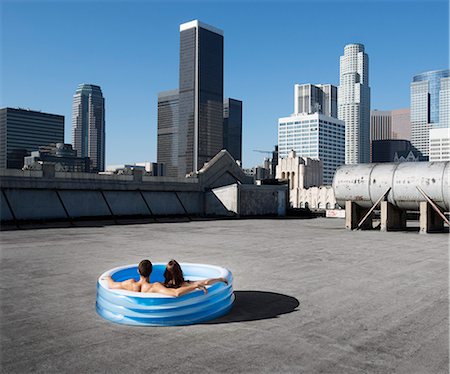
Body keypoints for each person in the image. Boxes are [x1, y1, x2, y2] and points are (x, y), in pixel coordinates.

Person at [103, 259, 207, 296]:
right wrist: (195, 286)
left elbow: (111, 285)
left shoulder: (130, 283)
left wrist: (107, 278)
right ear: (151, 272)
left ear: (138, 271)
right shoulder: (155, 286)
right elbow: (176, 293)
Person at [164, 259, 228, 289]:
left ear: (166, 273)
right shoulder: (186, 284)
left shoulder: (162, 286)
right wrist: (220, 279)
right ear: (180, 271)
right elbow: (206, 282)